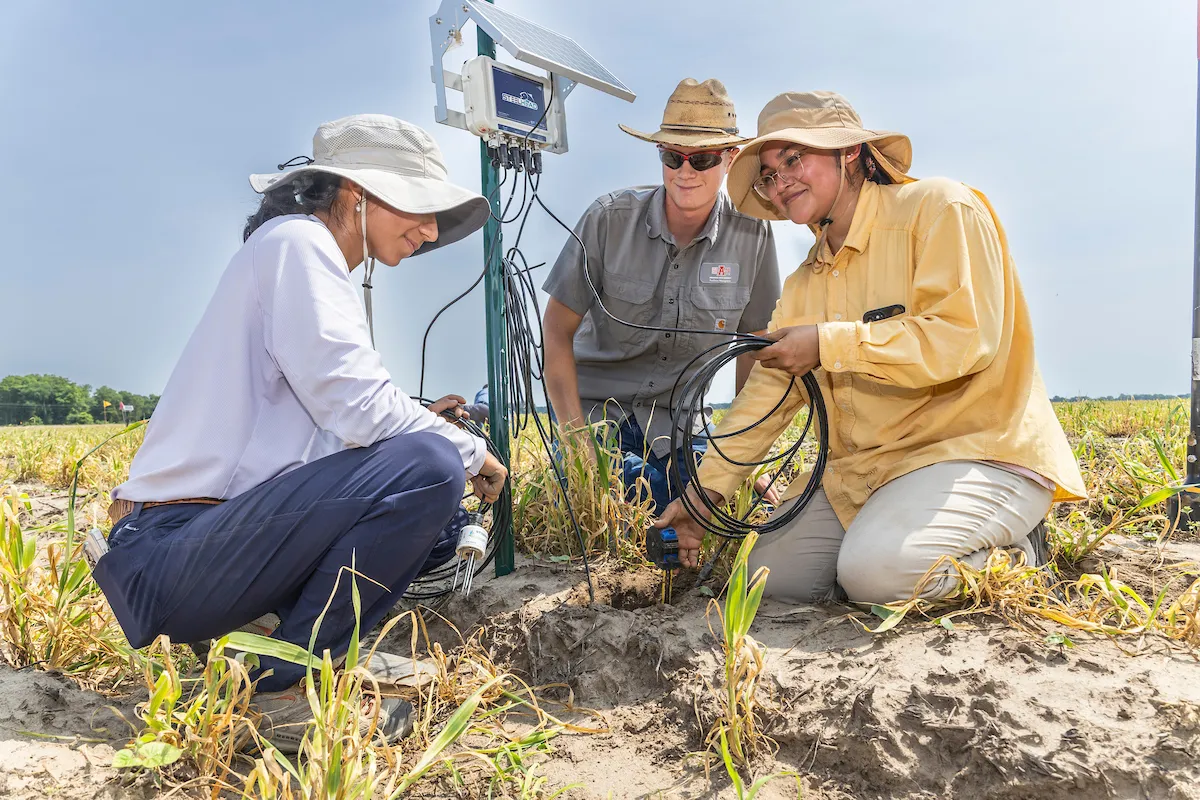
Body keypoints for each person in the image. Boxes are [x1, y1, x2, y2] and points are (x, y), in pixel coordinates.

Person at [92, 114, 507, 750]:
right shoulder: (297, 244)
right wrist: (472, 454)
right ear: (353, 196)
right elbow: (359, 405)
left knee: (422, 485)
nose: (428, 232)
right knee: (429, 465)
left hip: (208, 548)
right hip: (173, 551)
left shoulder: (298, 259)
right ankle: (287, 680)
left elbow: (345, 425)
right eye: (419, 209)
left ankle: (291, 659)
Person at [656, 92, 1086, 604]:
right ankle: (883, 544)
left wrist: (828, 343)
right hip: (866, 473)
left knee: (877, 575)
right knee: (767, 579)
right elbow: (766, 397)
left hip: (972, 452)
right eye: (769, 174)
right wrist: (704, 497)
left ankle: (1020, 554)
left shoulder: (940, 208)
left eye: (794, 158)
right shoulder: (803, 284)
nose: (781, 180)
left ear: (850, 153)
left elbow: (963, 338)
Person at [542, 78, 783, 515]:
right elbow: (556, 332)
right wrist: (575, 442)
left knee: (745, 508)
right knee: (622, 499)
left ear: (730, 158)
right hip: (599, 420)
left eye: (702, 159)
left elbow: (754, 348)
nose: (684, 172)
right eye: (673, 156)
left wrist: (742, 455)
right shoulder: (606, 219)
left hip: (684, 427)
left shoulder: (754, 235)